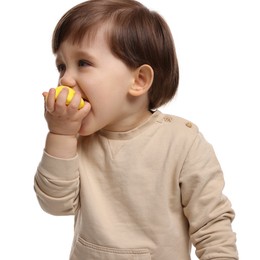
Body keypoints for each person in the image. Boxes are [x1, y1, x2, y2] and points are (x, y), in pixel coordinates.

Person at [34, 0, 239, 259]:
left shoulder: (182, 142)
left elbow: (212, 225)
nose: (64, 79)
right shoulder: (74, 143)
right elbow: (55, 205)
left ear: (139, 80)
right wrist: (61, 135)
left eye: (83, 63)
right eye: (62, 66)